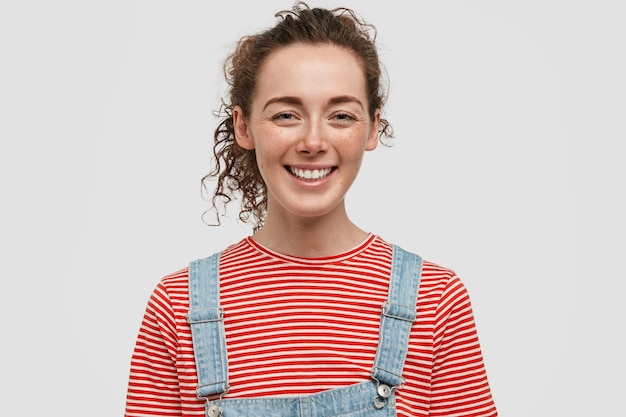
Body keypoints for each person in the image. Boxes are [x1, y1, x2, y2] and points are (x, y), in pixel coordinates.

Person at [124, 2, 498, 416]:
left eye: (341, 115)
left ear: (373, 127)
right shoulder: (178, 307)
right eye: (286, 114)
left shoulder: (435, 299)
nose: (313, 141)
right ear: (244, 126)